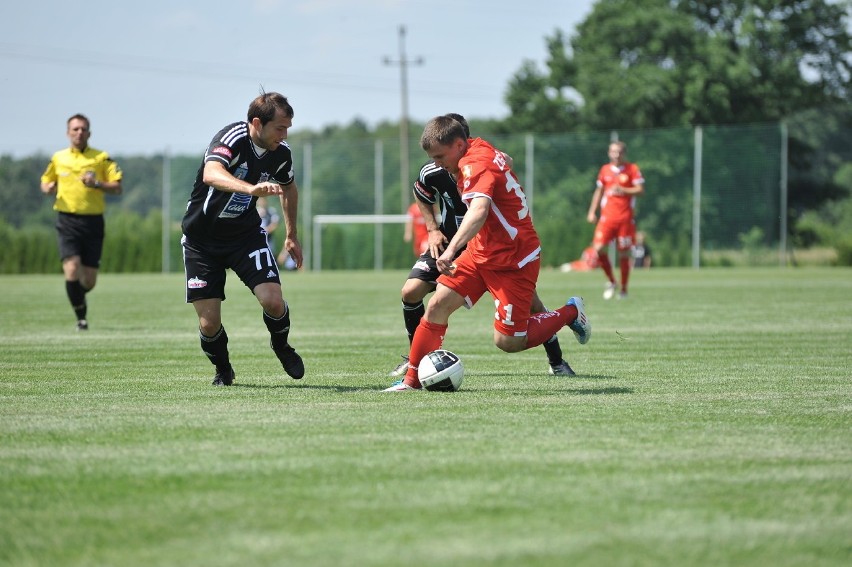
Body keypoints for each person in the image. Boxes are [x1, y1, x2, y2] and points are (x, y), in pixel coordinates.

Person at [385, 115, 591, 392]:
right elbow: (504, 160)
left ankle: (570, 312)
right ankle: (411, 382)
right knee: (436, 306)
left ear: (459, 145)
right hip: (481, 251)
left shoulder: (475, 164)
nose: (436, 163)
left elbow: (479, 211)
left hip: (513, 258)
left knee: (508, 342)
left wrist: (451, 250)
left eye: (439, 156)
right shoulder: (477, 148)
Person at [181, 91, 305, 386]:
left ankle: (281, 346)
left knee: (273, 301)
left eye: (288, 128)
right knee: (209, 323)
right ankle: (223, 369)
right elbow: (212, 173)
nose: (285, 135)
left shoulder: (281, 153)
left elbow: (289, 188)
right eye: (280, 128)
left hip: (245, 236)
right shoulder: (233, 137)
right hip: (201, 241)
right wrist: (249, 189)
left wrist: (291, 235)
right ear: (257, 123)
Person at [40, 114, 123, 331]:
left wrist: (96, 183)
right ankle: (81, 318)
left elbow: (117, 187)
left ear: (89, 133)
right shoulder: (58, 158)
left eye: (83, 129)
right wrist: (47, 188)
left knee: (89, 281)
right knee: (71, 268)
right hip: (67, 220)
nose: (79, 133)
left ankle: (75, 293)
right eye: (75, 129)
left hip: (94, 222)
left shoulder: (101, 158)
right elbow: (46, 181)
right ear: (68, 133)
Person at [585, 140, 645, 300]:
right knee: (598, 248)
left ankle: (624, 290)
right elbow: (599, 191)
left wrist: (623, 189)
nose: (616, 155)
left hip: (625, 219)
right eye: (613, 151)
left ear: (624, 153)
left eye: (619, 152)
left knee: (623, 254)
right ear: (609, 153)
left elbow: (640, 190)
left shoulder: (632, 169)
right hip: (607, 218)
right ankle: (612, 281)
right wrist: (592, 211)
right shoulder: (605, 170)